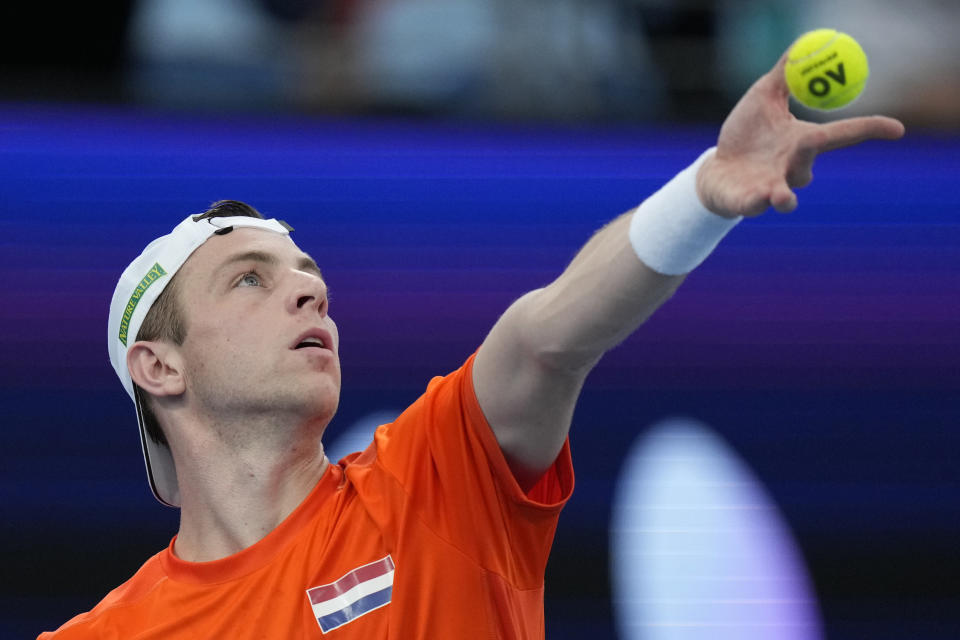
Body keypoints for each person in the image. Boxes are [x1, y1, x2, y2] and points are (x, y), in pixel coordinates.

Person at [39, 48, 903, 639]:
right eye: (250, 279)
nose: (310, 288)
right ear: (160, 366)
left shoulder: (430, 482)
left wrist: (703, 198)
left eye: (307, 273)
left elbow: (545, 340)